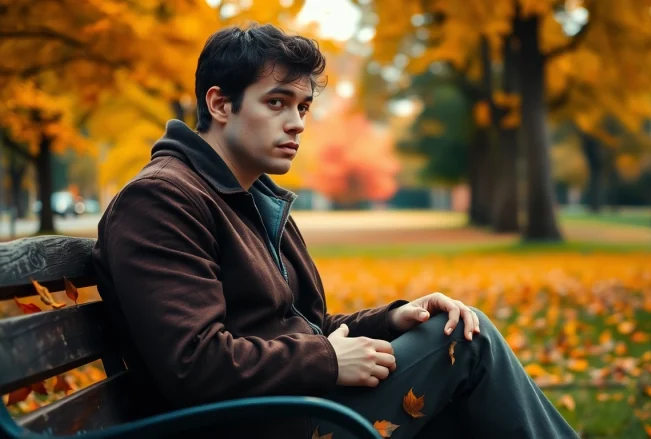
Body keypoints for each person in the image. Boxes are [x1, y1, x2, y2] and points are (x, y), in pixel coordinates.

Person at [91, 23, 579, 439]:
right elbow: (193, 364)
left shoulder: (247, 196)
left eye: (303, 107)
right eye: (277, 102)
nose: (297, 123)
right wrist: (325, 360)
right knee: (465, 342)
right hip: (250, 424)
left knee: (450, 326)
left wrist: (393, 320)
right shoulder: (162, 200)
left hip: (290, 408)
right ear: (220, 104)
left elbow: (307, 325)